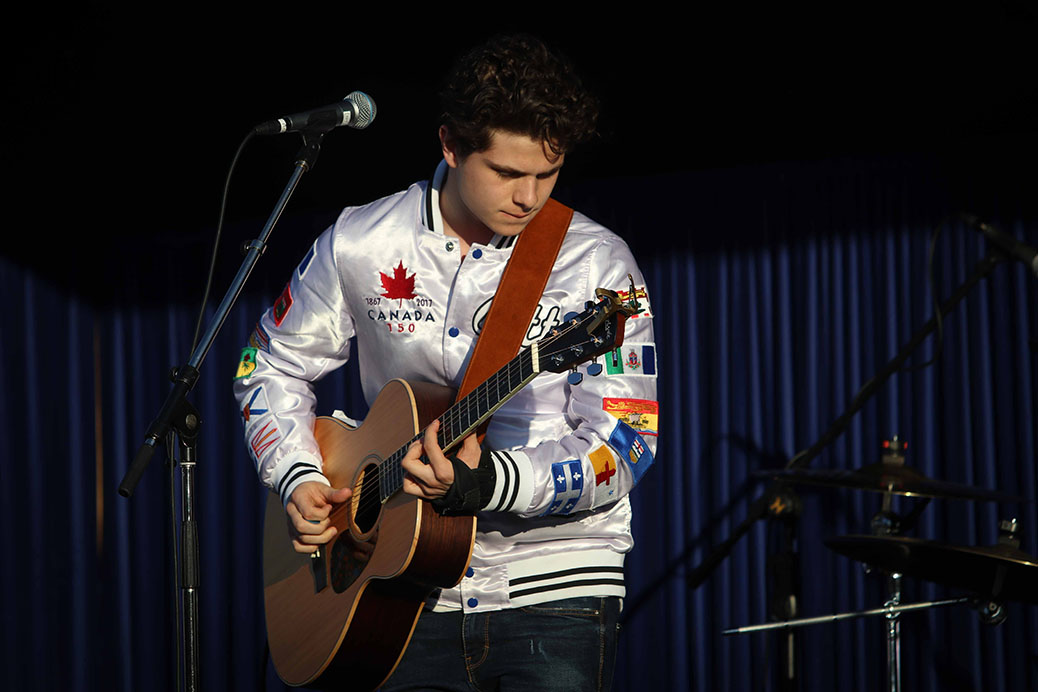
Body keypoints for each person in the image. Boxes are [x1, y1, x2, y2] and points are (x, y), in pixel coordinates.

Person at [234, 34, 659, 691]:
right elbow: (268, 364)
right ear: (451, 146)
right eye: (508, 174)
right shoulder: (360, 240)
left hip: (556, 591)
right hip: (393, 592)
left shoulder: (599, 266)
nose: (529, 197)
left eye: (547, 175)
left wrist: (492, 482)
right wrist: (298, 476)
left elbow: (628, 441)